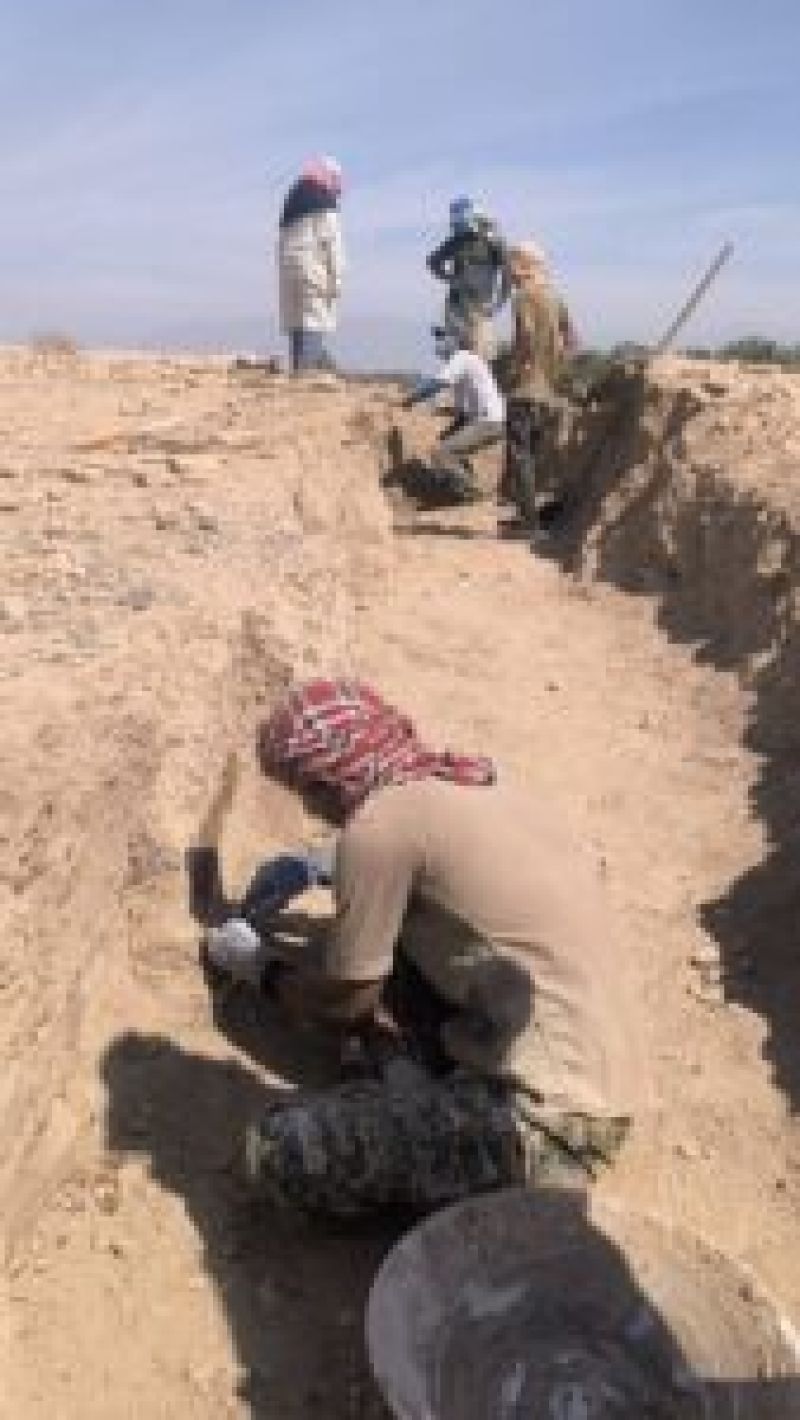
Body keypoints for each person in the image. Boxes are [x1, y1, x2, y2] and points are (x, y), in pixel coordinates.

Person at [205, 678, 642, 1219]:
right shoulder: (483, 782)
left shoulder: (379, 830)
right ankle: (422, 1078)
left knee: (277, 1153)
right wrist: (327, 864)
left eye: (306, 794)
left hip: (547, 1126)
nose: (312, 811)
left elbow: (345, 1005)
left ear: (325, 783)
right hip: (606, 1075)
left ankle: (443, 1129)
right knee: (391, 945)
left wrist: (259, 966)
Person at [501, 241, 577, 532]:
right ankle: (531, 516)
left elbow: (526, 338)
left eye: (511, 263)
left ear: (523, 265)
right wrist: (557, 369)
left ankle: (529, 523)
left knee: (521, 456)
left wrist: (515, 370)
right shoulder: (554, 296)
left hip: (526, 387)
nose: (508, 270)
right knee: (533, 455)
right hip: (549, 392)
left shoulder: (523, 296)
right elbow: (572, 340)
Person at [401, 324, 505, 499]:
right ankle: (460, 486)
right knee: (447, 442)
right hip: (488, 420)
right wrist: (439, 412)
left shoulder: (461, 358)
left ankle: (472, 493)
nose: (439, 342)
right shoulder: (465, 365)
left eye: (443, 337)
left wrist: (409, 400)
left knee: (442, 453)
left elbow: (437, 384)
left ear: (456, 340)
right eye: (438, 338)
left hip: (488, 421)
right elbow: (462, 410)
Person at [277, 156, 345, 373]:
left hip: (289, 273)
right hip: (313, 271)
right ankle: (305, 379)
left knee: (297, 325)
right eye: (336, 179)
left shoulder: (292, 203)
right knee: (313, 324)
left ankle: (299, 372)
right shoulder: (324, 204)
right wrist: (337, 281)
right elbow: (333, 247)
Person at [427, 197, 510, 361]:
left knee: (481, 352)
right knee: (456, 351)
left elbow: (507, 272)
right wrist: (451, 279)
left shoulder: (492, 242)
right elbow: (433, 261)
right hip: (458, 302)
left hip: (481, 304)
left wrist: (499, 302)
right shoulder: (457, 241)